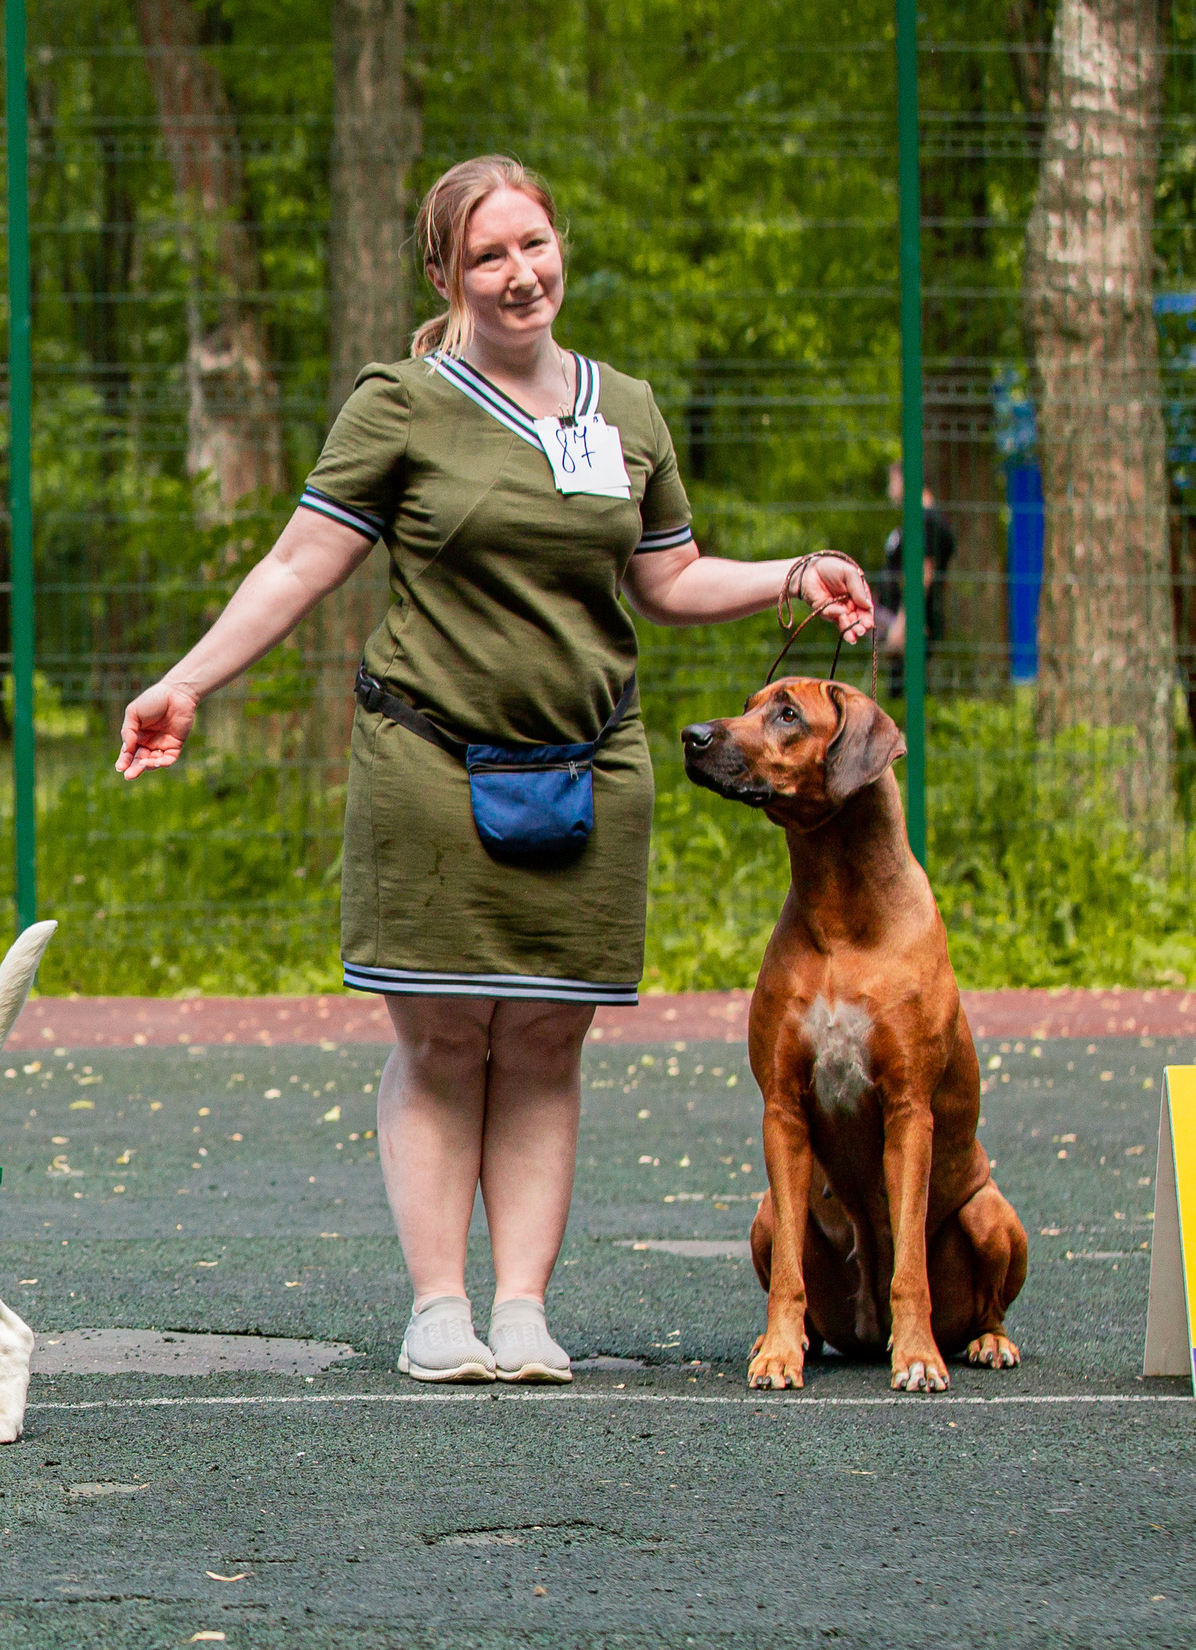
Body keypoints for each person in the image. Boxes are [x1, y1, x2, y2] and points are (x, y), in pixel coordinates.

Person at [114, 155, 873, 1386]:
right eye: (487, 255)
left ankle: (520, 1309)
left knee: (542, 1046)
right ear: (443, 275)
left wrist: (794, 572)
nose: (520, 274)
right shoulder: (399, 402)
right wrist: (188, 680)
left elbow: (671, 579)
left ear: (559, 246)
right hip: (430, 763)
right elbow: (299, 564)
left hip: (591, 770)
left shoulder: (624, 408)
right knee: (440, 1038)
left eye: (534, 245)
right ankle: (437, 1308)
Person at [873, 462, 954, 696]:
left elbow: (923, 575)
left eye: (893, 481)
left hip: (913, 627)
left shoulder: (927, 521)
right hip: (898, 621)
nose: (890, 488)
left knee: (910, 698)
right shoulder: (915, 520)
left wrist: (903, 623)